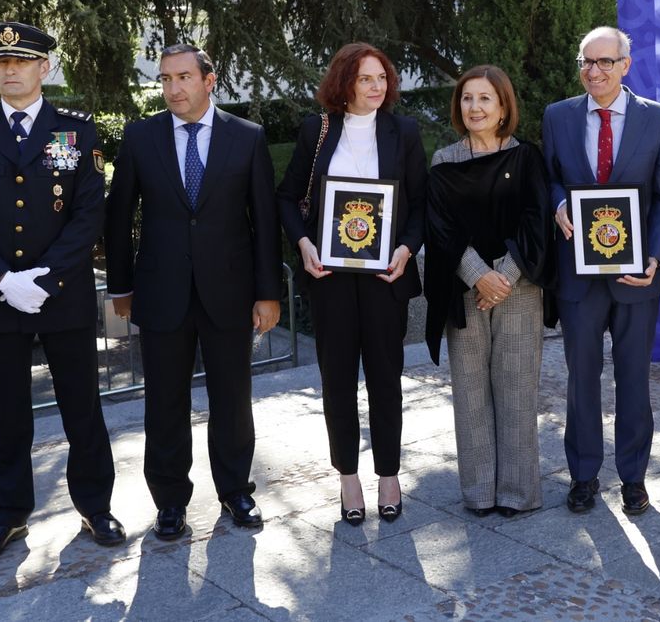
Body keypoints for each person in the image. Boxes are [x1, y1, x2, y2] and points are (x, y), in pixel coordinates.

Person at [0, 21, 123, 561]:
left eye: (21, 62)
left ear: (45, 68)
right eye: (2, 62)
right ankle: (9, 517)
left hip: (60, 295)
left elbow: (90, 212)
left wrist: (44, 279)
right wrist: (4, 279)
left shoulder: (76, 131)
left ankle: (94, 506)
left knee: (81, 406)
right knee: (9, 411)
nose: (10, 70)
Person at [104, 44, 281, 540]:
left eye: (183, 76)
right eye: (165, 79)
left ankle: (235, 491)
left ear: (209, 79)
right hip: (161, 294)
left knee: (232, 397)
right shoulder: (141, 138)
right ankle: (169, 502)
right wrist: (121, 287)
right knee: (163, 402)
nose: (173, 88)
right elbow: (119, 218)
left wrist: (268, 293)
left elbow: (264, 222)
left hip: (229, 291)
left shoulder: (246, 138)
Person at [276, 43, 424, 525]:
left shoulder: (403, 131)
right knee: (337, 380)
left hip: (386, 277)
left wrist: (405, 249)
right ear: (344, 83)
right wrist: (303, 244)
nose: (377, 87)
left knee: (386, 380)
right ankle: (347, 476)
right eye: (366, 79)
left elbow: (421, 206)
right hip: (331, 279)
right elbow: (287, 197)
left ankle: (388, 475)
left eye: (382, 78)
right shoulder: (317, 130)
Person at [541, 26, 660, 516]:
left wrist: (655, 256)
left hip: (637, 273)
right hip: (578, 271)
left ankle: (634, 477)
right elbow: (552, 176)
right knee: (581, 377)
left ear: (625, 65)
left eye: (604, 62)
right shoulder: (557, 117)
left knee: (635, 378)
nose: (593, 71)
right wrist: (557, 203)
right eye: (585, 62)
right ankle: (583, 475)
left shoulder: (658, 120)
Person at [424, 65, 554, 519]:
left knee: (517, 389)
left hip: (518, 289)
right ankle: (479, 492)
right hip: (464, 290)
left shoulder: (526, 158)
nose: (474, 107)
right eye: (467, 99)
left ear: (503, 108)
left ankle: (519, 492)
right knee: (470, 392)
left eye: (485, 99)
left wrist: (504, 277)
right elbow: (440, 229)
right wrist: (479, 275)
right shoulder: (444, 160)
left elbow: (537, 222)